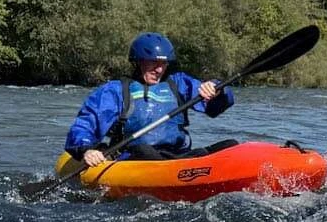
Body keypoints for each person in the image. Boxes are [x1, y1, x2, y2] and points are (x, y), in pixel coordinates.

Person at [66, 33, 233, 167]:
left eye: (163, 63)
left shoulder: (179, 83)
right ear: (138, 62)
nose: (159, 69)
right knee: (144, 150)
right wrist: (86, 149)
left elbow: (215, 107)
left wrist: (217, 89)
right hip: (133, 157)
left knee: (230, 144)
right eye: (153, 62)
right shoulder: (116, 90)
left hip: (176, 156)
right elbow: (86, 124)